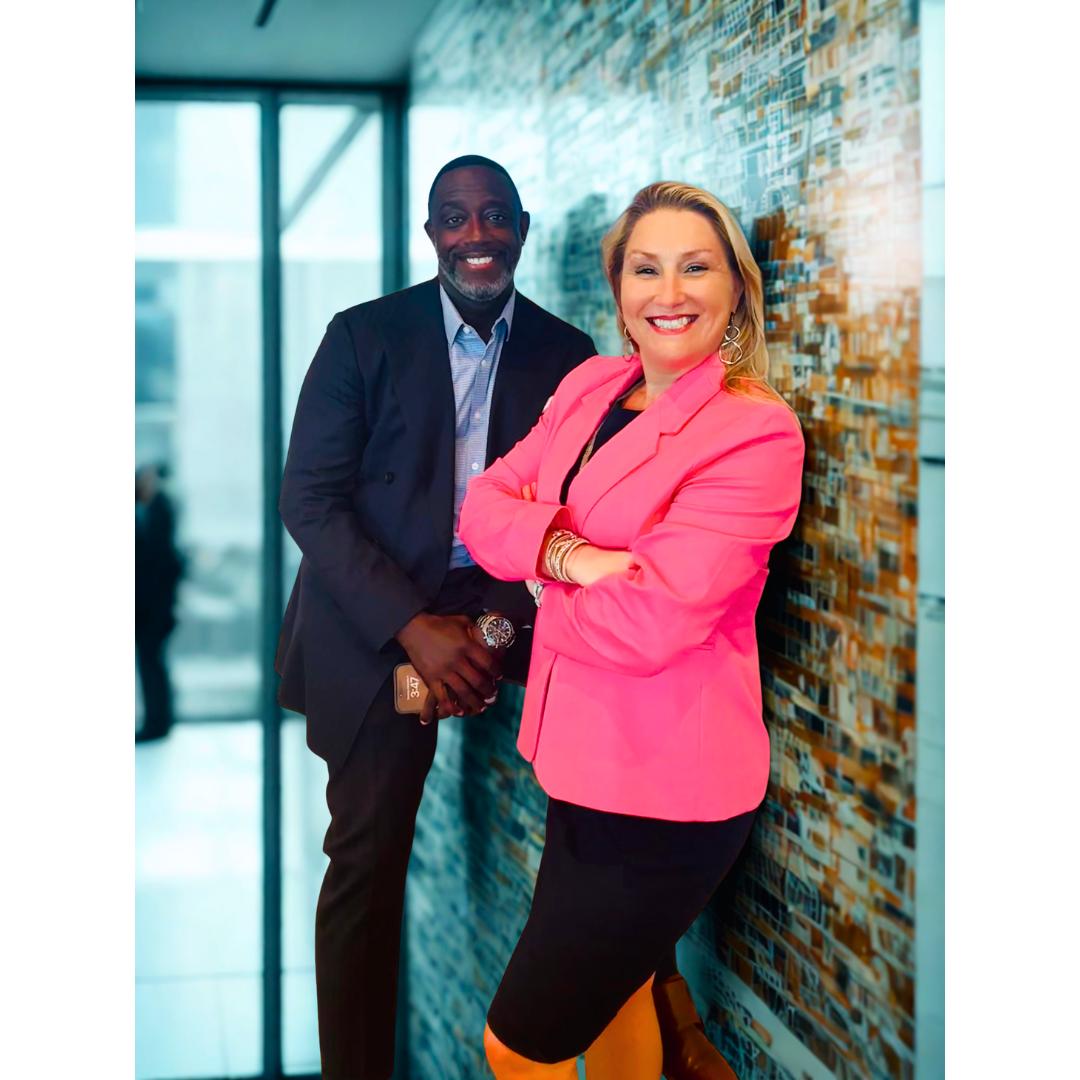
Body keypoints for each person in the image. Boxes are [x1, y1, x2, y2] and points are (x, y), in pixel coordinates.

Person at [458, 182, 806, 1080]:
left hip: (666, 799)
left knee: (518, 1044)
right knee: (614, 1011)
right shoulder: (592, 385)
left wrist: (537, 584)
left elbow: (653, 623)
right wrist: (576, 561)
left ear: (736, 288)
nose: (670, 292)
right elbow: (483, 507)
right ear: (619, 289)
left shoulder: (753, 433)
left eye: (697, 268)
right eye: (646, 269)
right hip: (580, 767)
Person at [276, 155, 596, 1080]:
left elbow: (569, 509)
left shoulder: (567, 357)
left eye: (495, 216)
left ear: (522, 229)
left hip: (502, 608)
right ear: (431, 235)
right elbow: (310, 501)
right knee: (366, 867)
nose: (477, 235)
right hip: (373, 613)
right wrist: (414, 628)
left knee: (601, 818)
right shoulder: (361, 338)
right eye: (456, 218)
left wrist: (488, 633)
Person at [135, 463, 183, 743]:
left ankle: (158, 721)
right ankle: (157, 720)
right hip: (147, 606)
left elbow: (162, 560)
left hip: (154, 607)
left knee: (153, 664)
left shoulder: (160, 509)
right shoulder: (148, 510)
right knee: (151, 664)